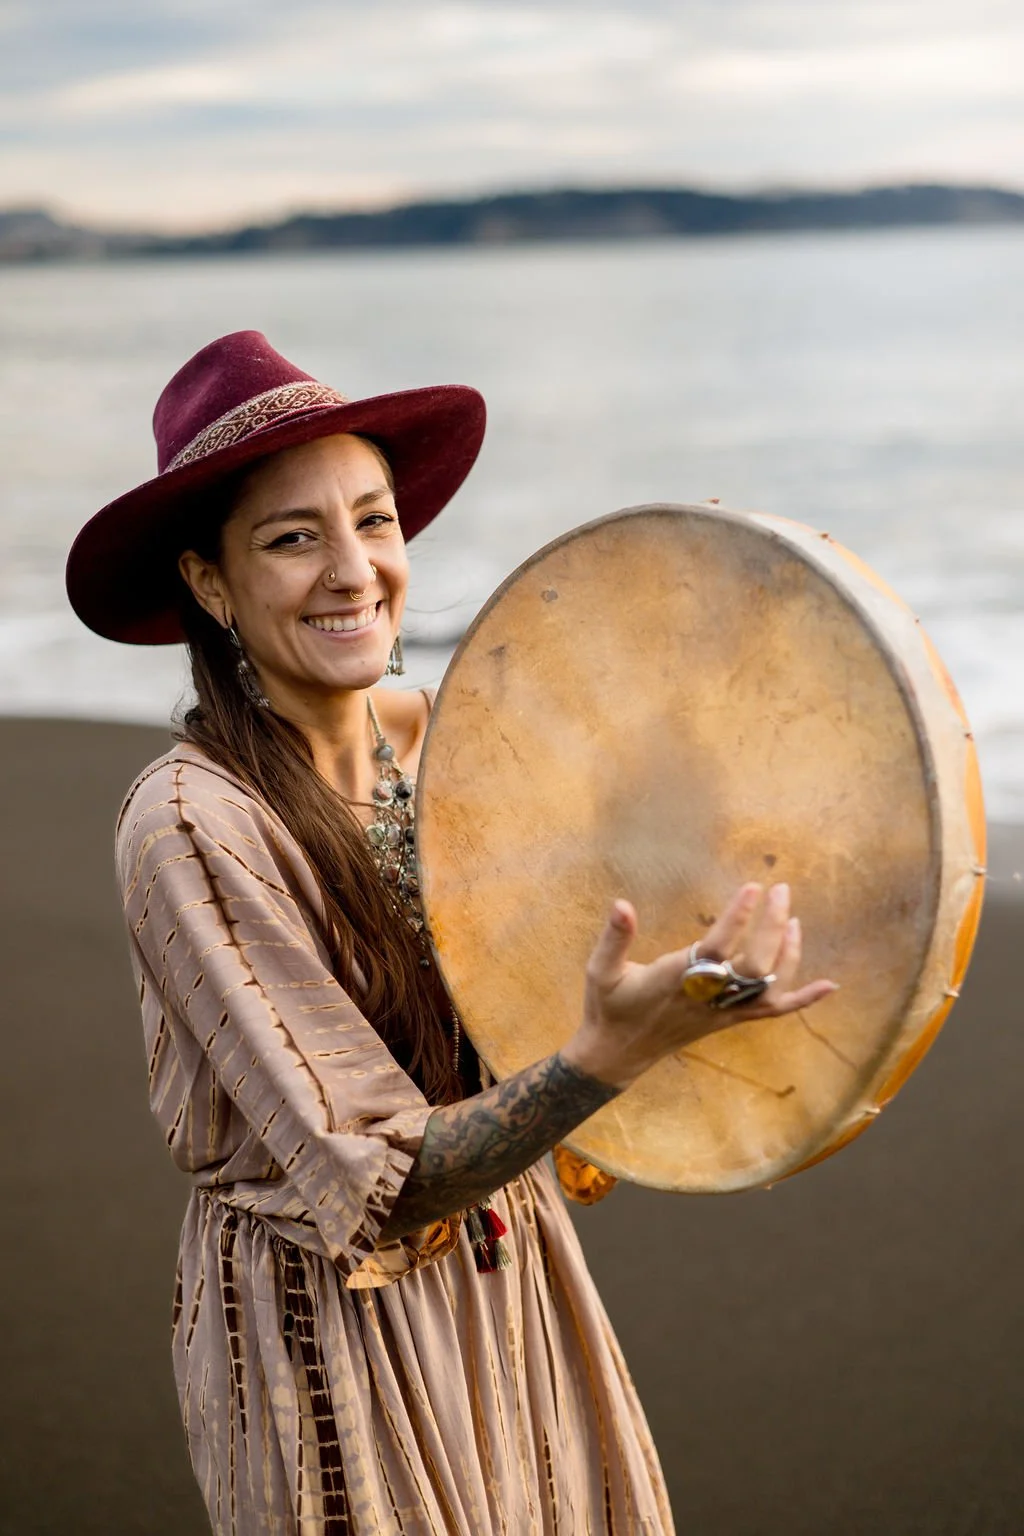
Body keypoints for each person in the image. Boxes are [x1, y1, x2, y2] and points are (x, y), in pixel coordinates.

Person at [66, 331, 836, 1536]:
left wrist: (726, 608)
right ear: (210, 584)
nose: (354, 571)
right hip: (328, 1327)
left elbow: (661, 815)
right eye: (292, 538)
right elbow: (378, 1184)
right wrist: (611, 1054)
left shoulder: (467, 740)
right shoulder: (190, 827)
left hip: (513, 1269)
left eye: (373, 521)